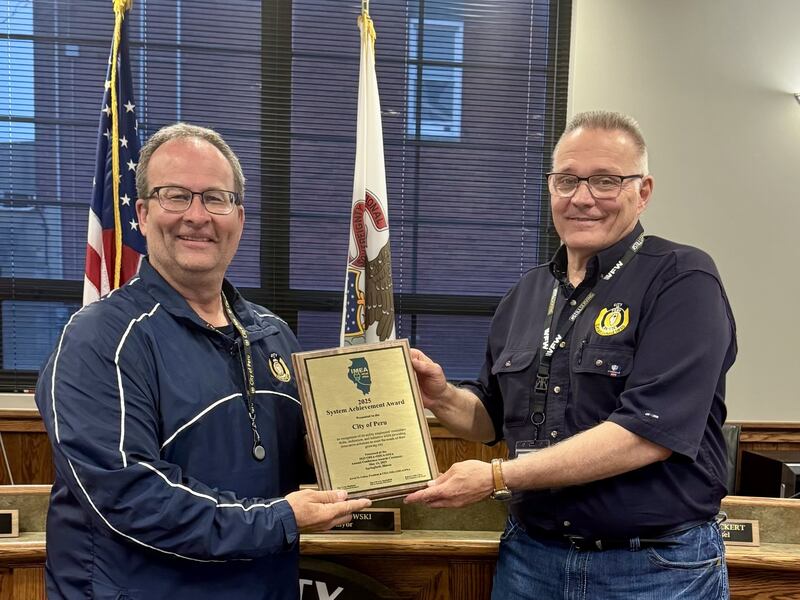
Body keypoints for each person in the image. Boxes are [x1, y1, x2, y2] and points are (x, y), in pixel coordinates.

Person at [405, 111, 736, 599]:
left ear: (642, 192)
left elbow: (647, 434)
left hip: (654, 568)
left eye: (605, 180)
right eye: (567, 181)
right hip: (531, 560)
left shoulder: (682, 279)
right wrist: (441, 396)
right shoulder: (526, 294)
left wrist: (497, 475)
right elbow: (493, 419)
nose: (583, 198)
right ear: (551, 188)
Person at [35, 123, 370, 600]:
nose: (197, 216)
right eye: (176, 196)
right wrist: (280, 519)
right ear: (144, 214)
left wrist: (375, 416)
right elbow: (130, 497)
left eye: (216, 198)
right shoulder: (100, 339)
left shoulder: (273, 336)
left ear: (239, 216)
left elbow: (313, 462)